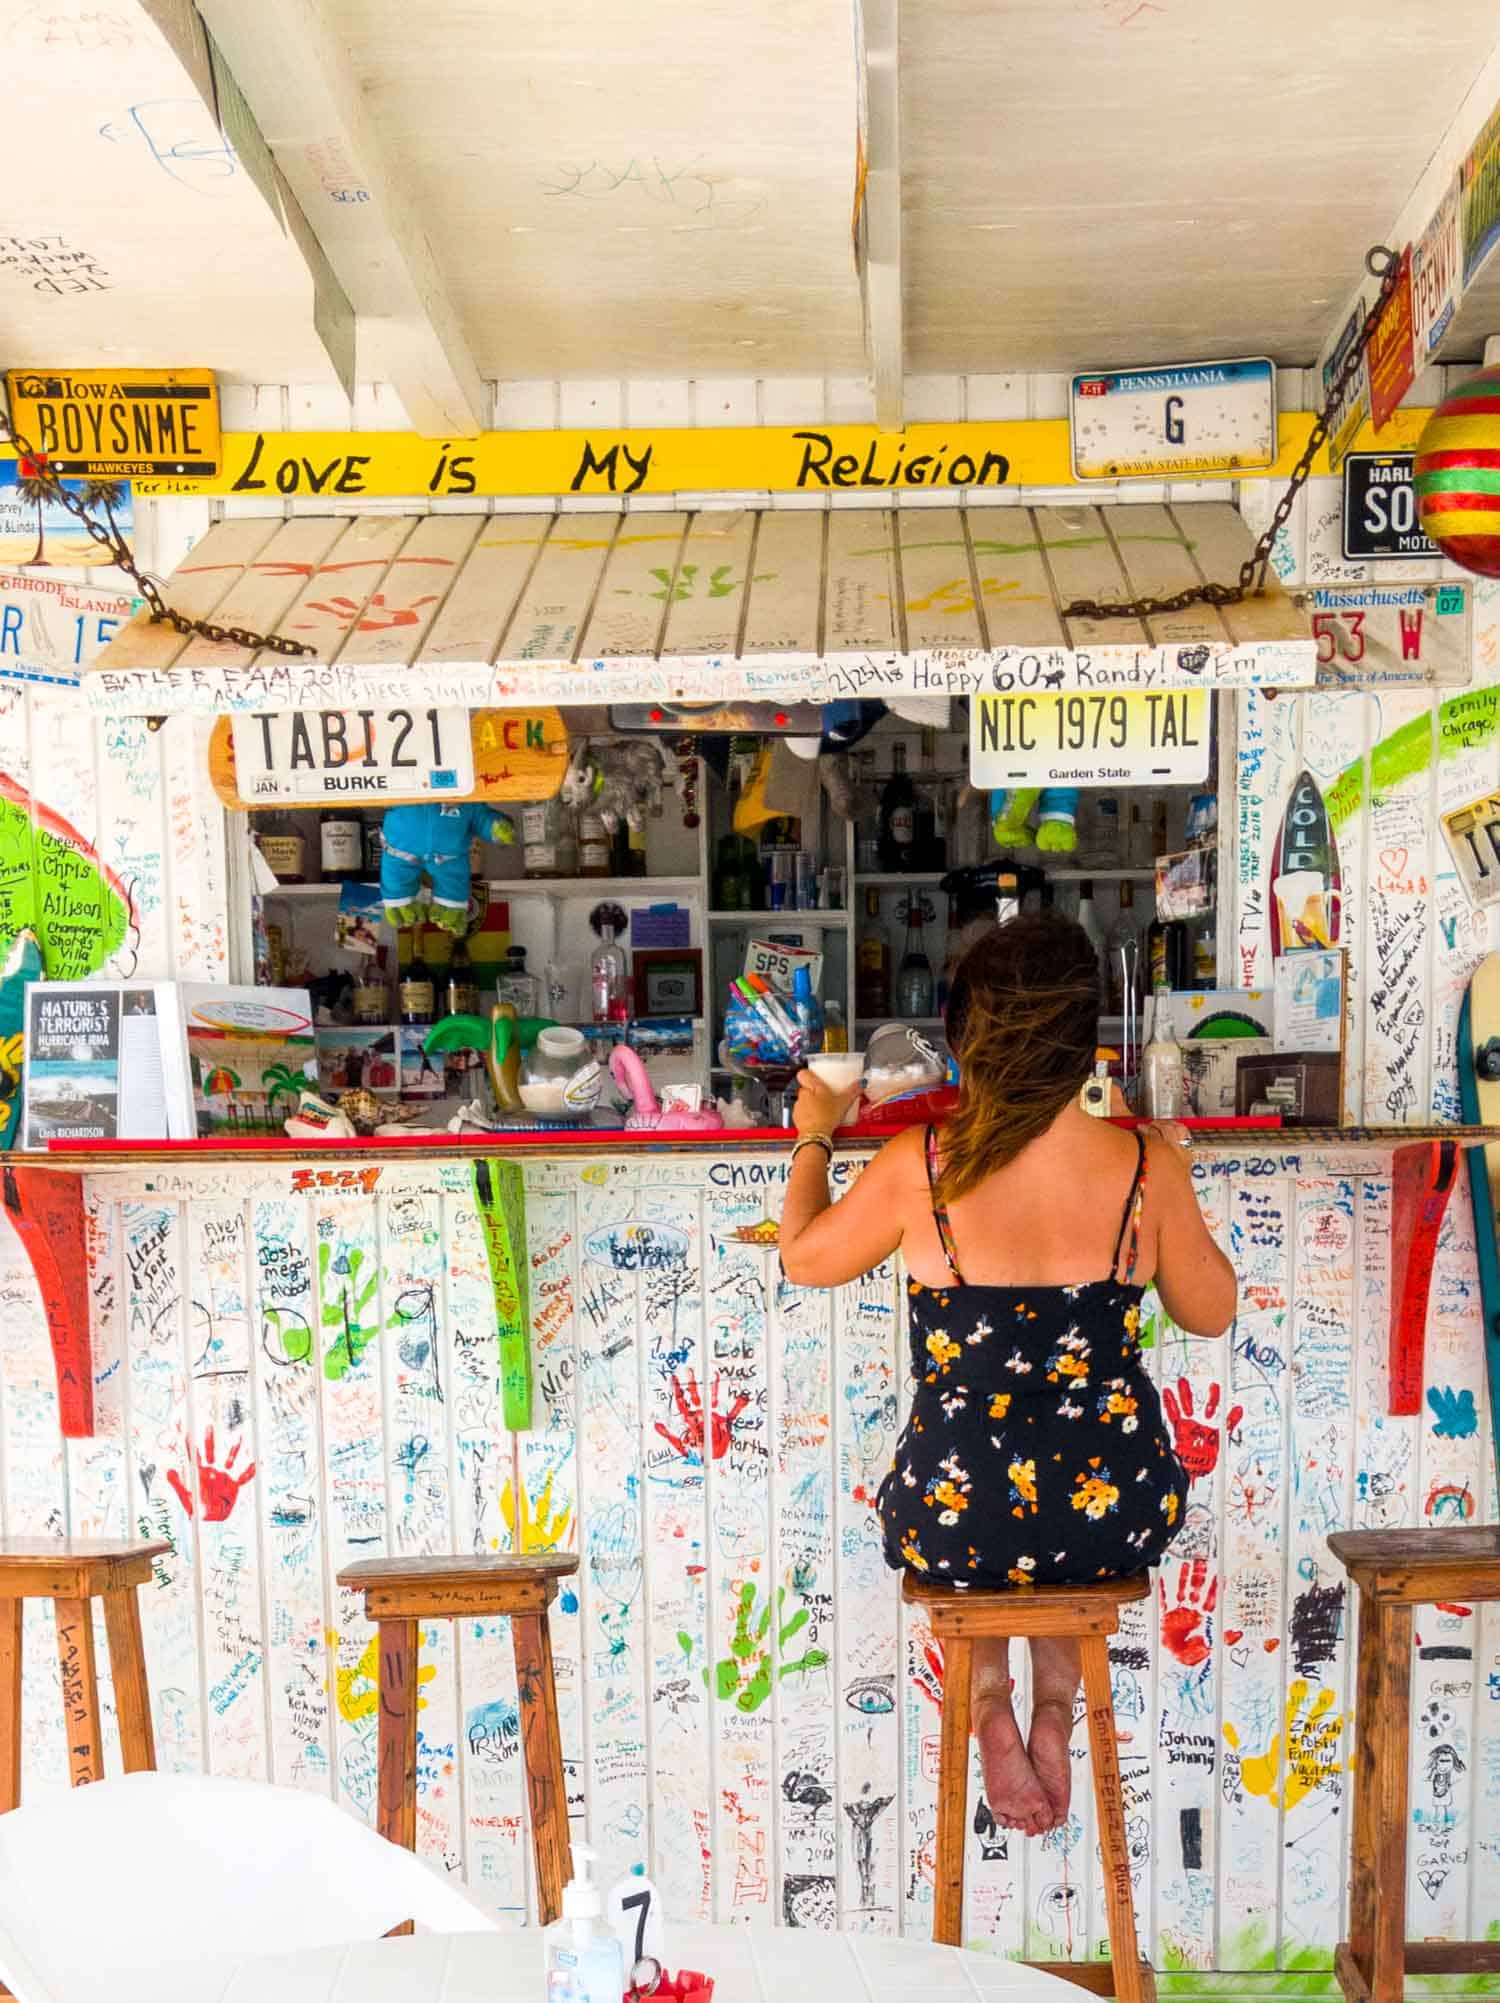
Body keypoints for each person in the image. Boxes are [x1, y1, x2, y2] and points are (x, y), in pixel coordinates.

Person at [779, 912, 1236, 1837]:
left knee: (989, 1516)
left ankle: (989, 1696)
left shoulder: (925, 1166)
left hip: (956, 1511)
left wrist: (815, 1135)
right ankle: (1055, 1711)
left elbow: (803, 1257)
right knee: (1071, 1501)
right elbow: (1212, 1308)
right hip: (1113, 1504)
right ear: (1087, 1043)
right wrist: (1174, 1179)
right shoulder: (1145, 1165)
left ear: (964, 1039)